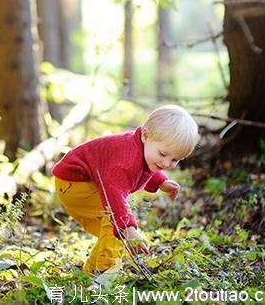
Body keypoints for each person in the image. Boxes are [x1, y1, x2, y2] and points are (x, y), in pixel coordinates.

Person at [51, 105, 198, 274]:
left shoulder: (141, 147)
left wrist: (161, 181)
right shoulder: (126, 160)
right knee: (116, 222)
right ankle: (105, 272)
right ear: (145, 136)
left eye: (175, 159)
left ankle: (91, 272)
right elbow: (113, 192)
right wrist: (128, 229)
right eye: (163, 154)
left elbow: (146, 166)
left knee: (112, 228)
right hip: (75, 182)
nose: (166, 163)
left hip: (80, 183)